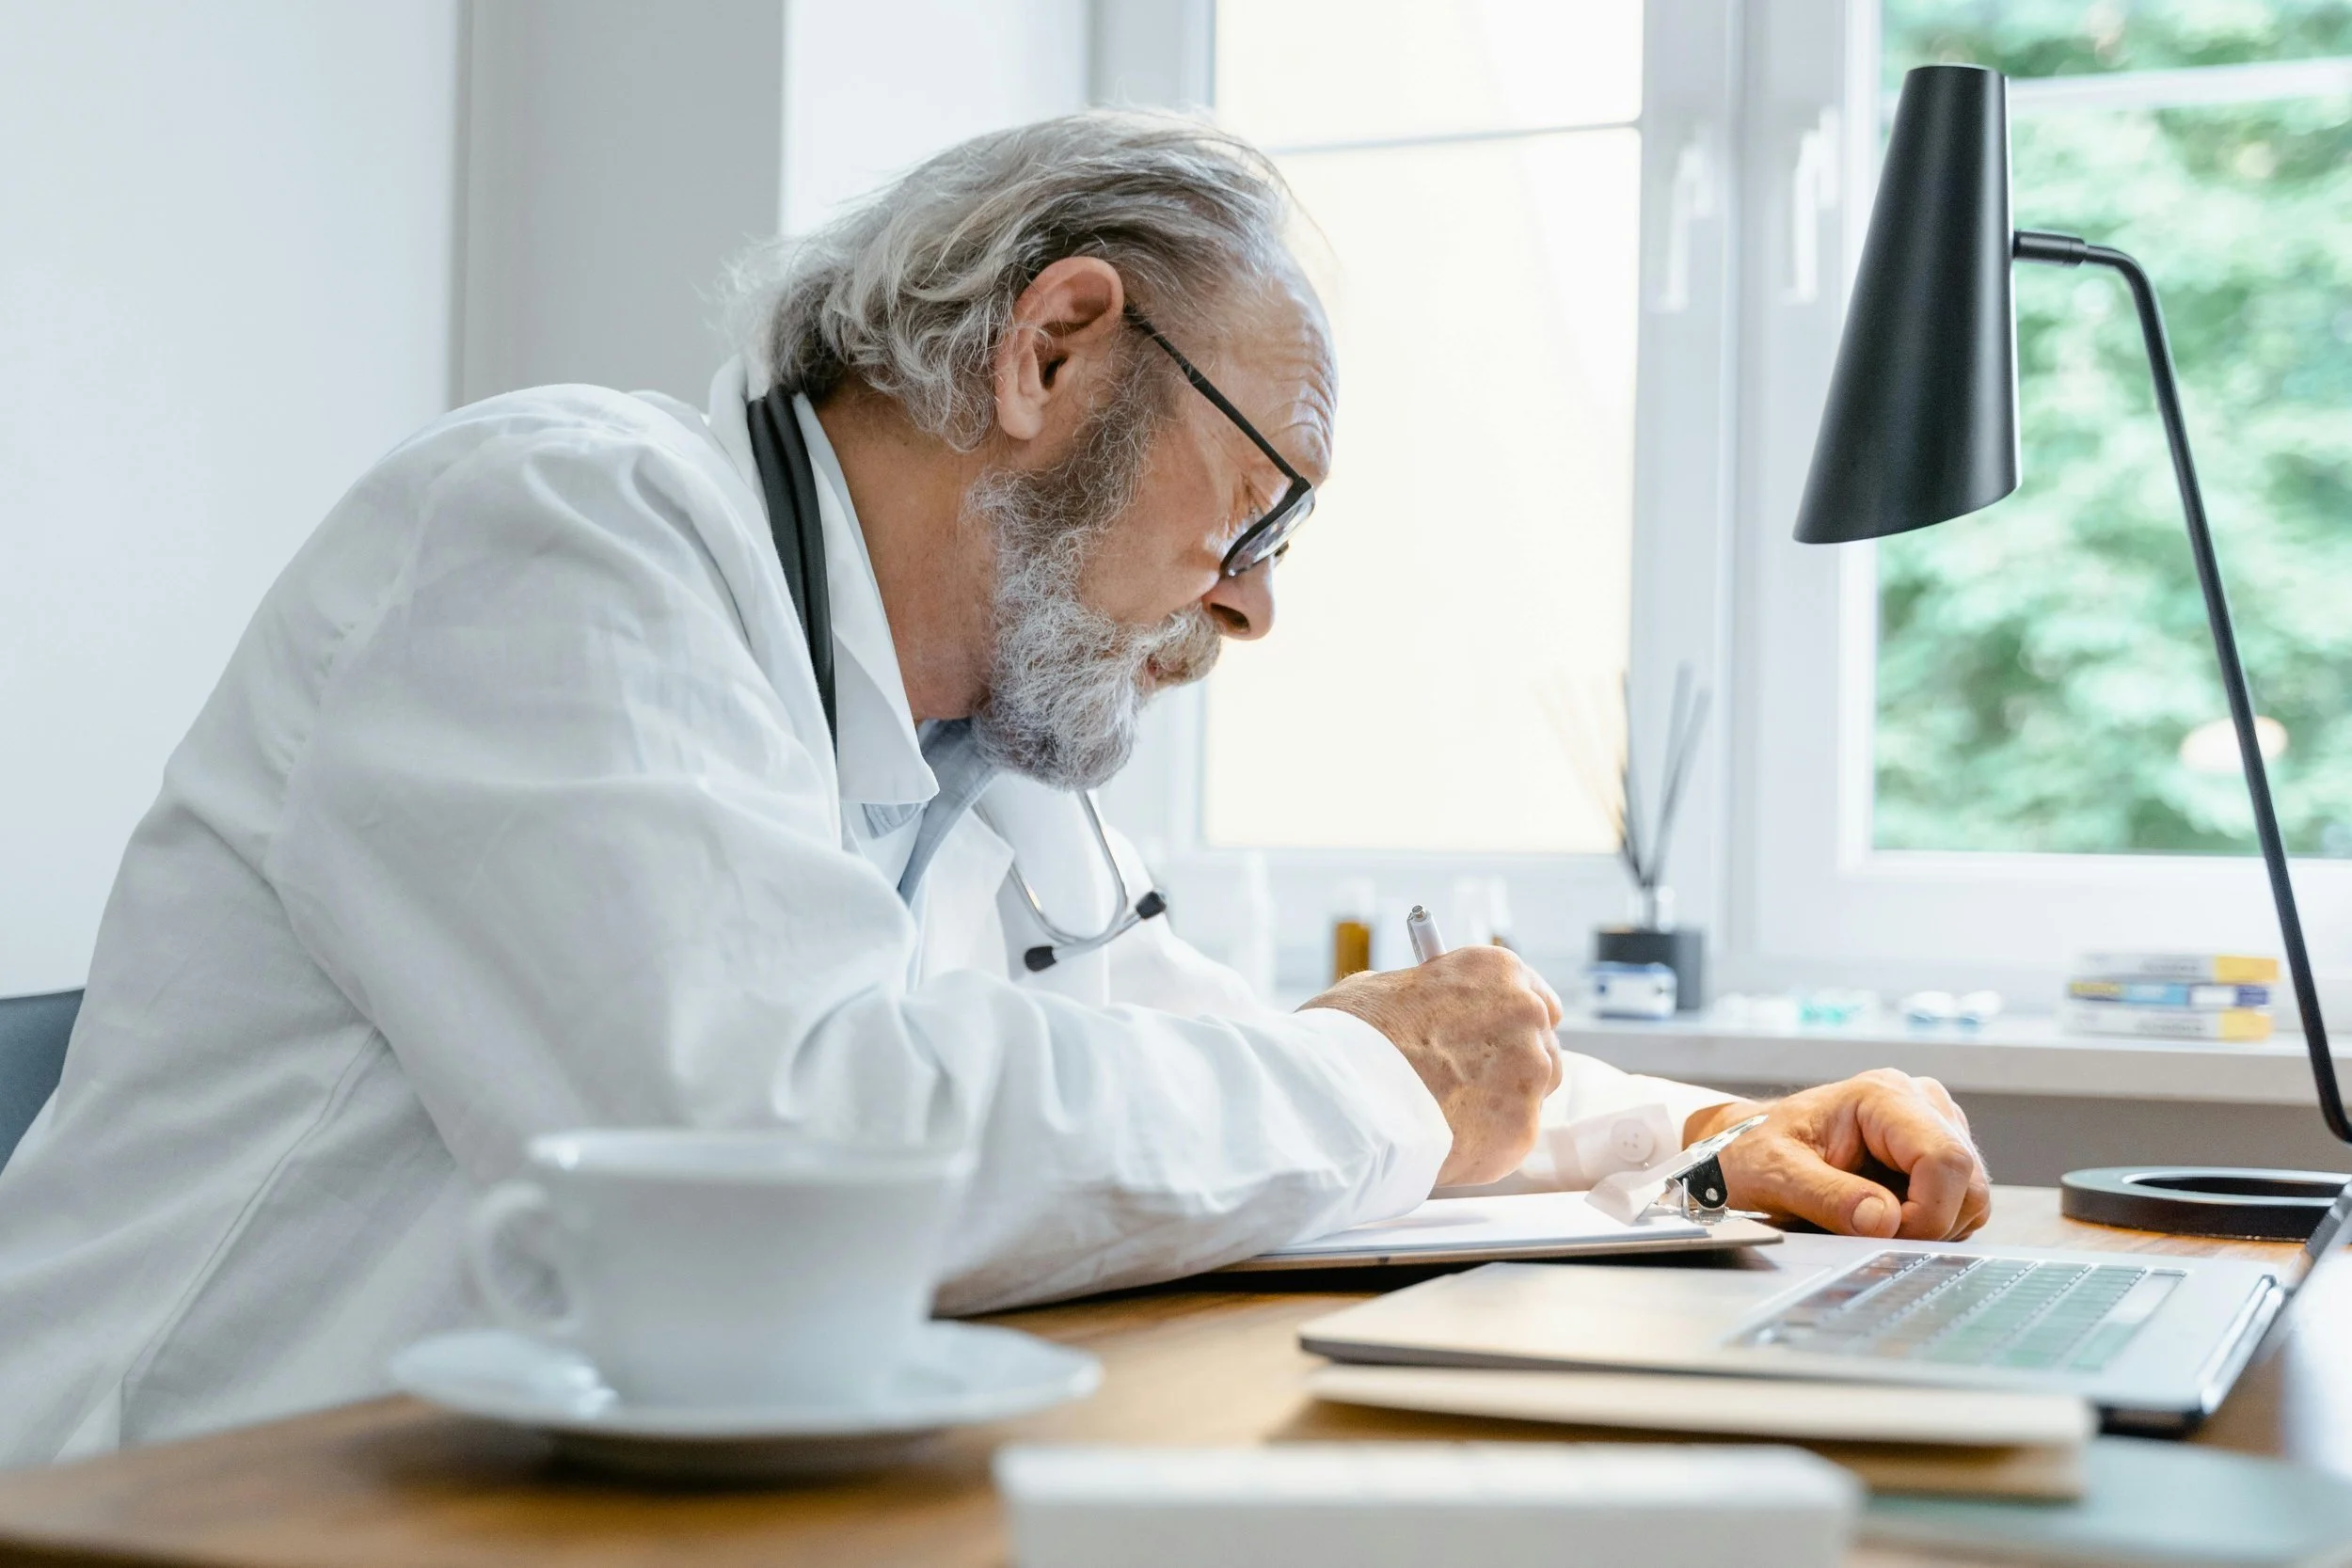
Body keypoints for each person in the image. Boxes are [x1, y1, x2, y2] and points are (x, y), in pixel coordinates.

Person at [0, 112, 1989, 1465]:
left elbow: (1188, 1072)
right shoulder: (560, 530)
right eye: (1261, 504)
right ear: (1053, 343)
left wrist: (1707, 1136)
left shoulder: (988, 747)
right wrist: (1393, 1076)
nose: (1253, 601)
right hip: (174, 1498)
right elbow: (781, 1147)